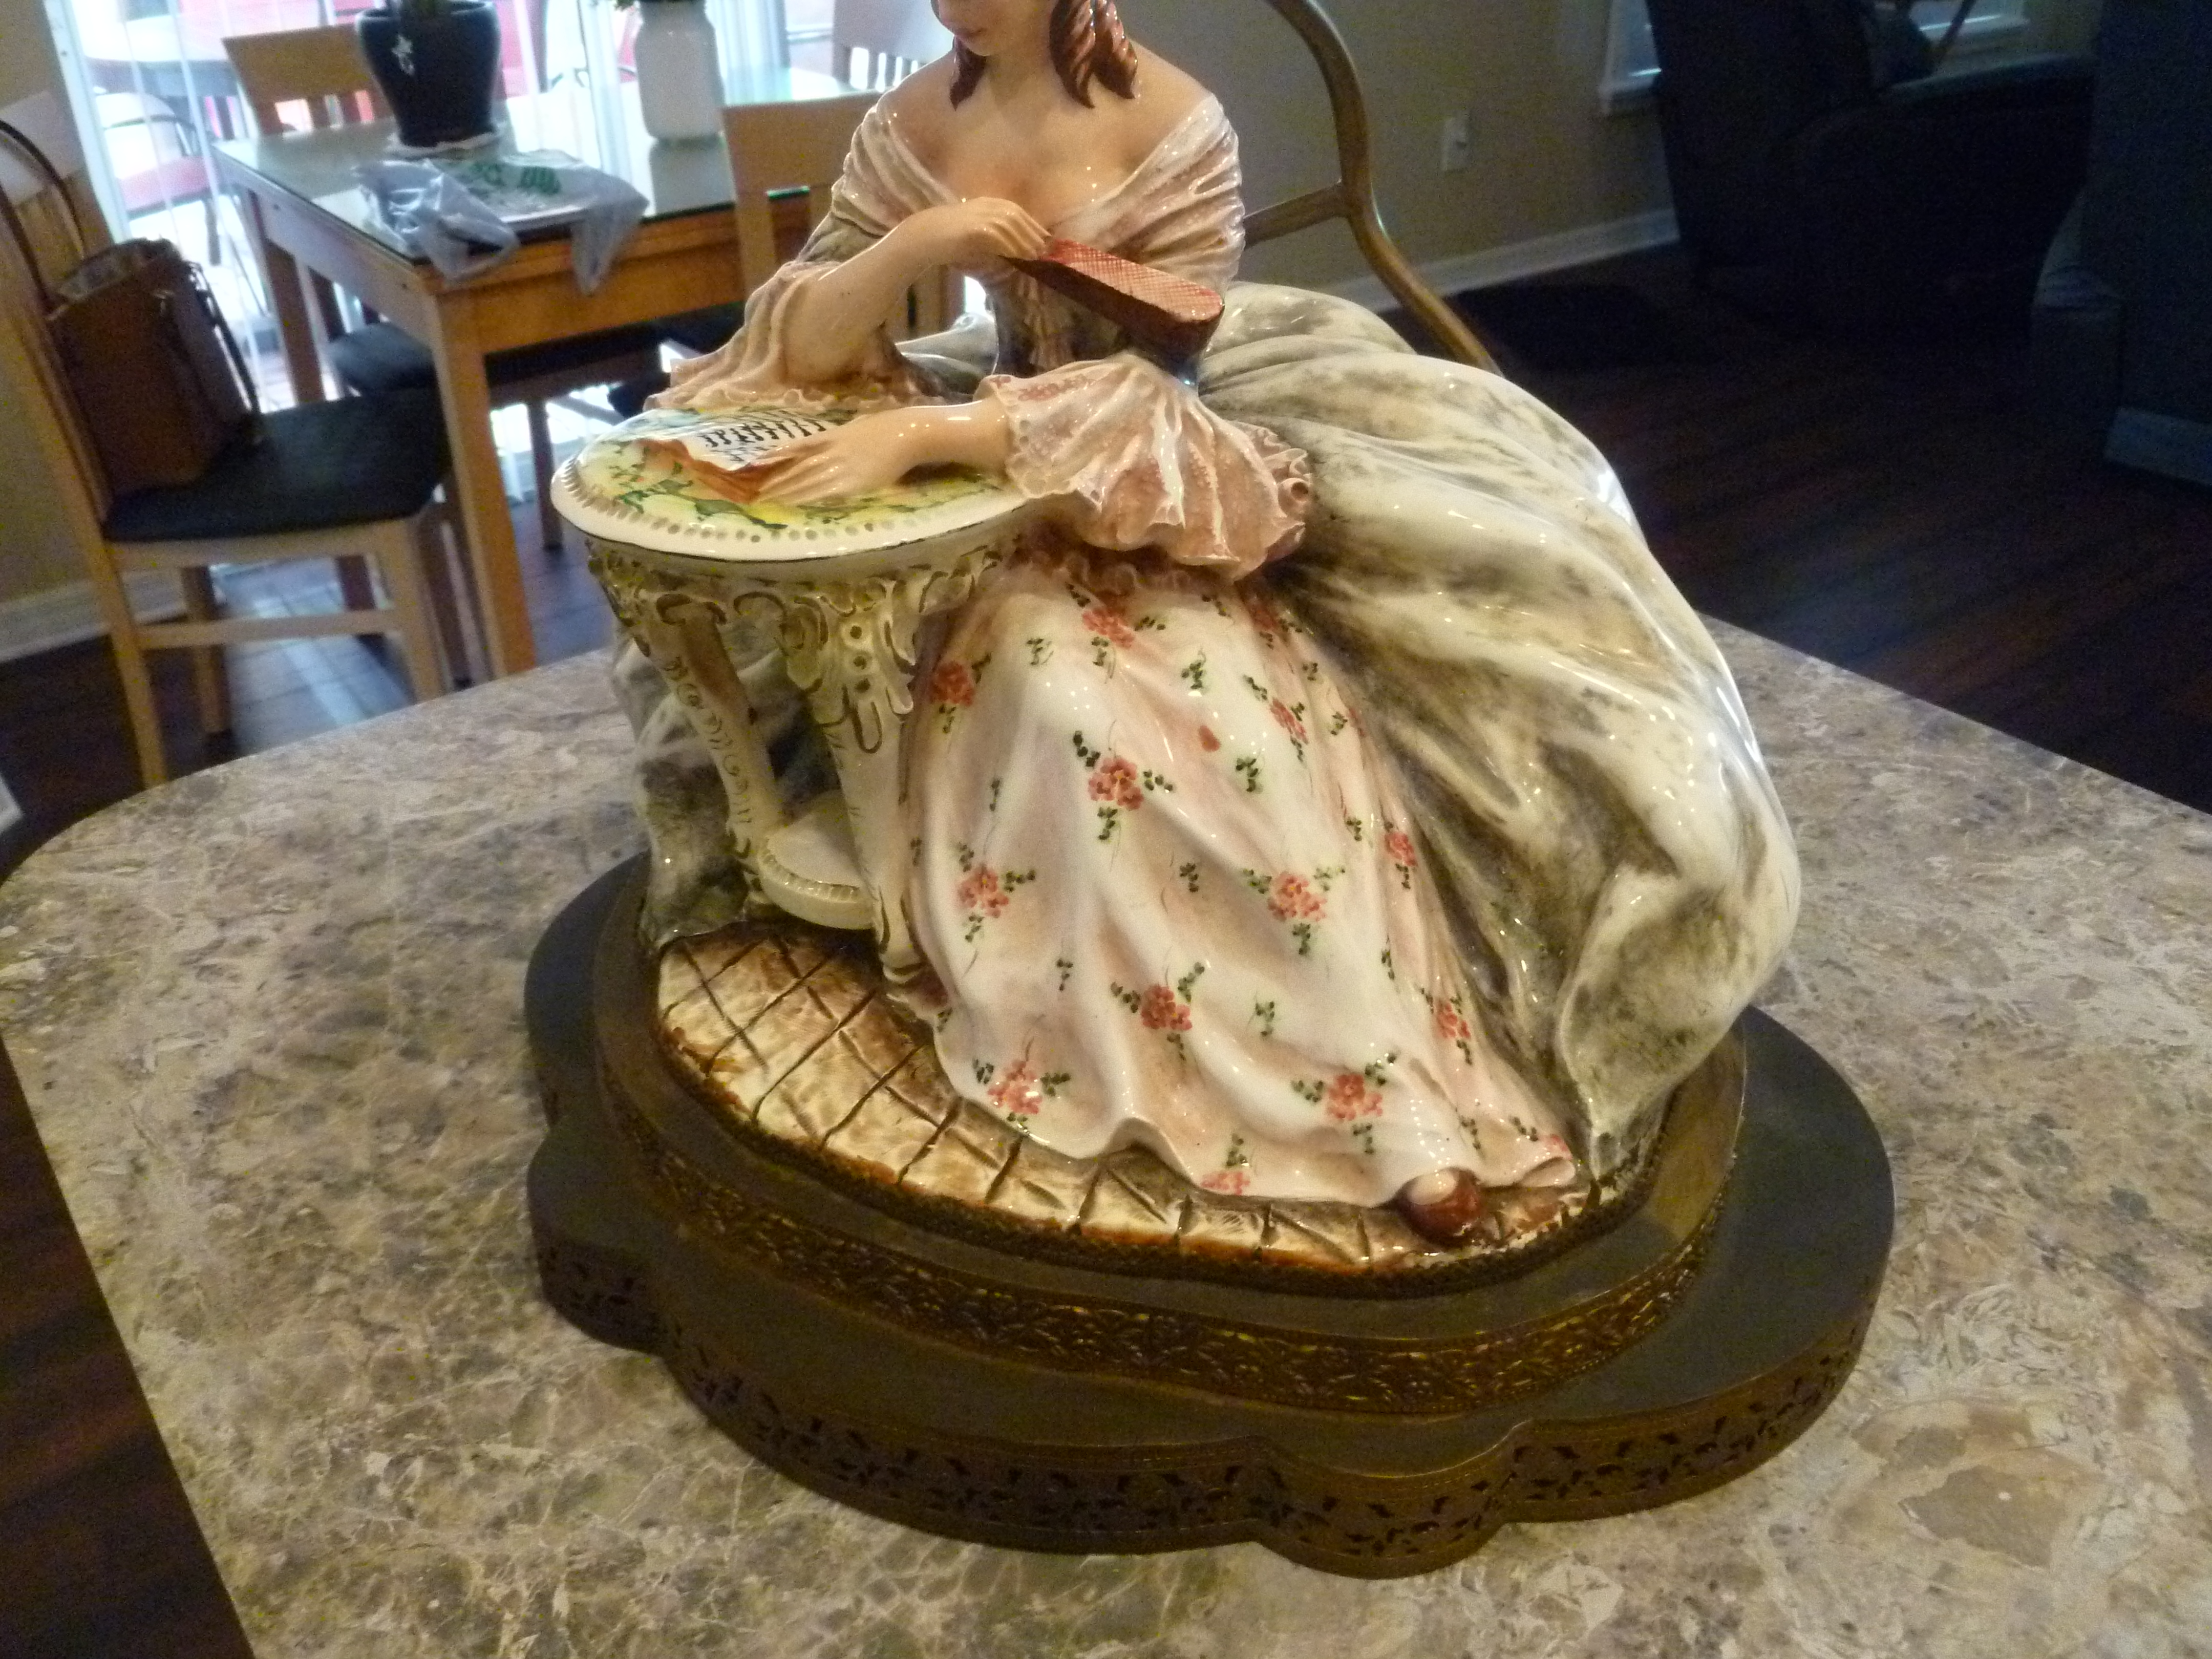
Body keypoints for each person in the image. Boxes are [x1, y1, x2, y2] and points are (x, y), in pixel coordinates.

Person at [636, 0, 1800, 1245]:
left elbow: (1156, 388)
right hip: (997, 515)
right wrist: (920, 241)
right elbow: (805, 343)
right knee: (1055, 704)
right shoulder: (911, 123)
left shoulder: (1178, 128)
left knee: (1234, 746)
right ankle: (1133, 1040)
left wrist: (937, 430)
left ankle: (1393, 1095)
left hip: (1141, 488)